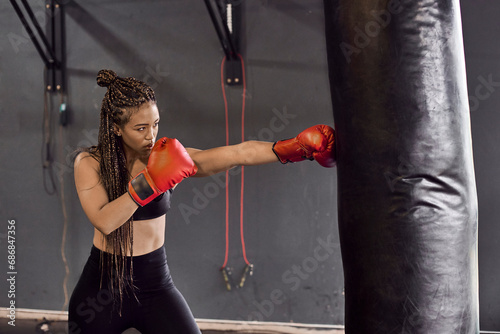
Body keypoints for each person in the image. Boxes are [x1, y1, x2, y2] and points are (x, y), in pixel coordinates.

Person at [68, 69, 336, 334]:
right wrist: (150, 182)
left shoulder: (165, 157)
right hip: (101, 290)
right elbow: (104, 221)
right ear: (116, 127)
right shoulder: (90, 163)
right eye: (140, 128)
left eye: (155, 124)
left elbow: (238, 153)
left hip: (154, 284)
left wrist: (294, 148)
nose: (151, 136)